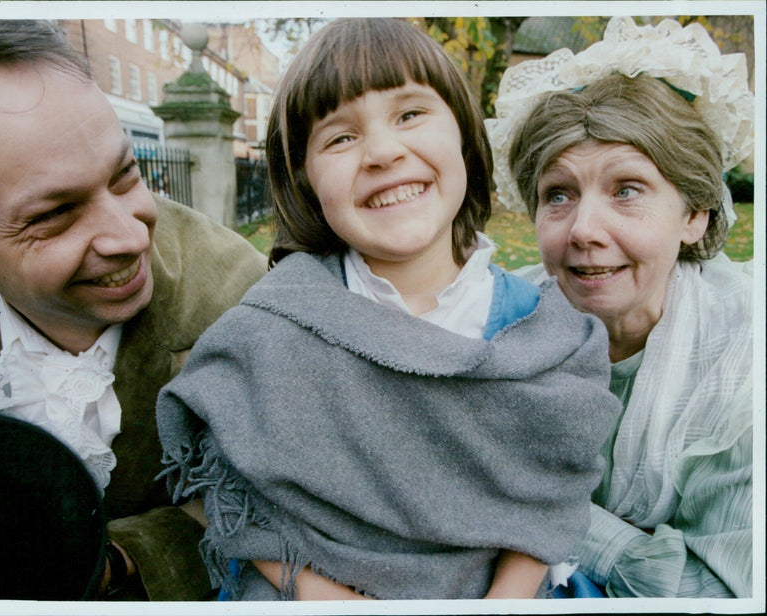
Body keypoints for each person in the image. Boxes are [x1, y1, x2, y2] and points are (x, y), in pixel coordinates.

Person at [157, 18, 621, 601]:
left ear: (462, 134)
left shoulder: (549, 331)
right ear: (305, 176)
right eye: (340, 138)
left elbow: (552, 491)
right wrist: (327, 599)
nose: (381, 152)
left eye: (409, 115)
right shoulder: (271, 327)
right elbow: (217, 483)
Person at [0, 20, 267, 600]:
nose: (130, 237)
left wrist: (116, 562)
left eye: (126, 174)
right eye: (54, 215)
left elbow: (296, 521)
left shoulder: (247, 312)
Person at [486, 16, 754, 597]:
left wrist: (541, 510)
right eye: (558, 195)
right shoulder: (496, 321)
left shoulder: (744, 363)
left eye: (626, 189)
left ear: (694, 214)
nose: (584, 230)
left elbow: (720, 595)